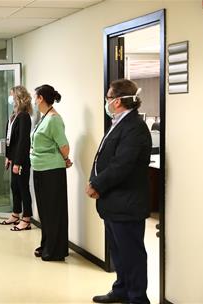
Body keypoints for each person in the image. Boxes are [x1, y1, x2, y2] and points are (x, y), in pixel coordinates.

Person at [86, 79, 151, 304]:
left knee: (132, 254)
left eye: (108, 97)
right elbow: (104, 157)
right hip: (113, 202)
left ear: (117, 101)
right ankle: (121, 289)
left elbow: (122, 165)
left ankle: (137, 298)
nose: (106, 101)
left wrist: (97, 185)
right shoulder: (118, 122)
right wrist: (95, 181)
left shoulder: (135, 127)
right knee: (119, 253)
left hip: (127, 203)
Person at [30, 84, 72, 261]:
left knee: (54, 211)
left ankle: (55, 250)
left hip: (52, 170)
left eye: (35, 97)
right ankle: (47, 244)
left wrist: (65, 158)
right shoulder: (44, 117)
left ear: (41, 98)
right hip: (40, 168)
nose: (33, 100)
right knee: (45, 211)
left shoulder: (54, 119)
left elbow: (64, 146)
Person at [0, 85, 33, 231]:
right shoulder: (14, 115)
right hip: (14, 158)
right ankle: (15, 214)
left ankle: (26, 219)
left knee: (23, 188)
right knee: (15, 187)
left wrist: (18, 162)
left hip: (21, 160)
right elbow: (10, 138)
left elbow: (23, 141)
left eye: (11, 95)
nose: (10, 98)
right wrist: (8, 157)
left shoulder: (24, 116)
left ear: (17, 97)